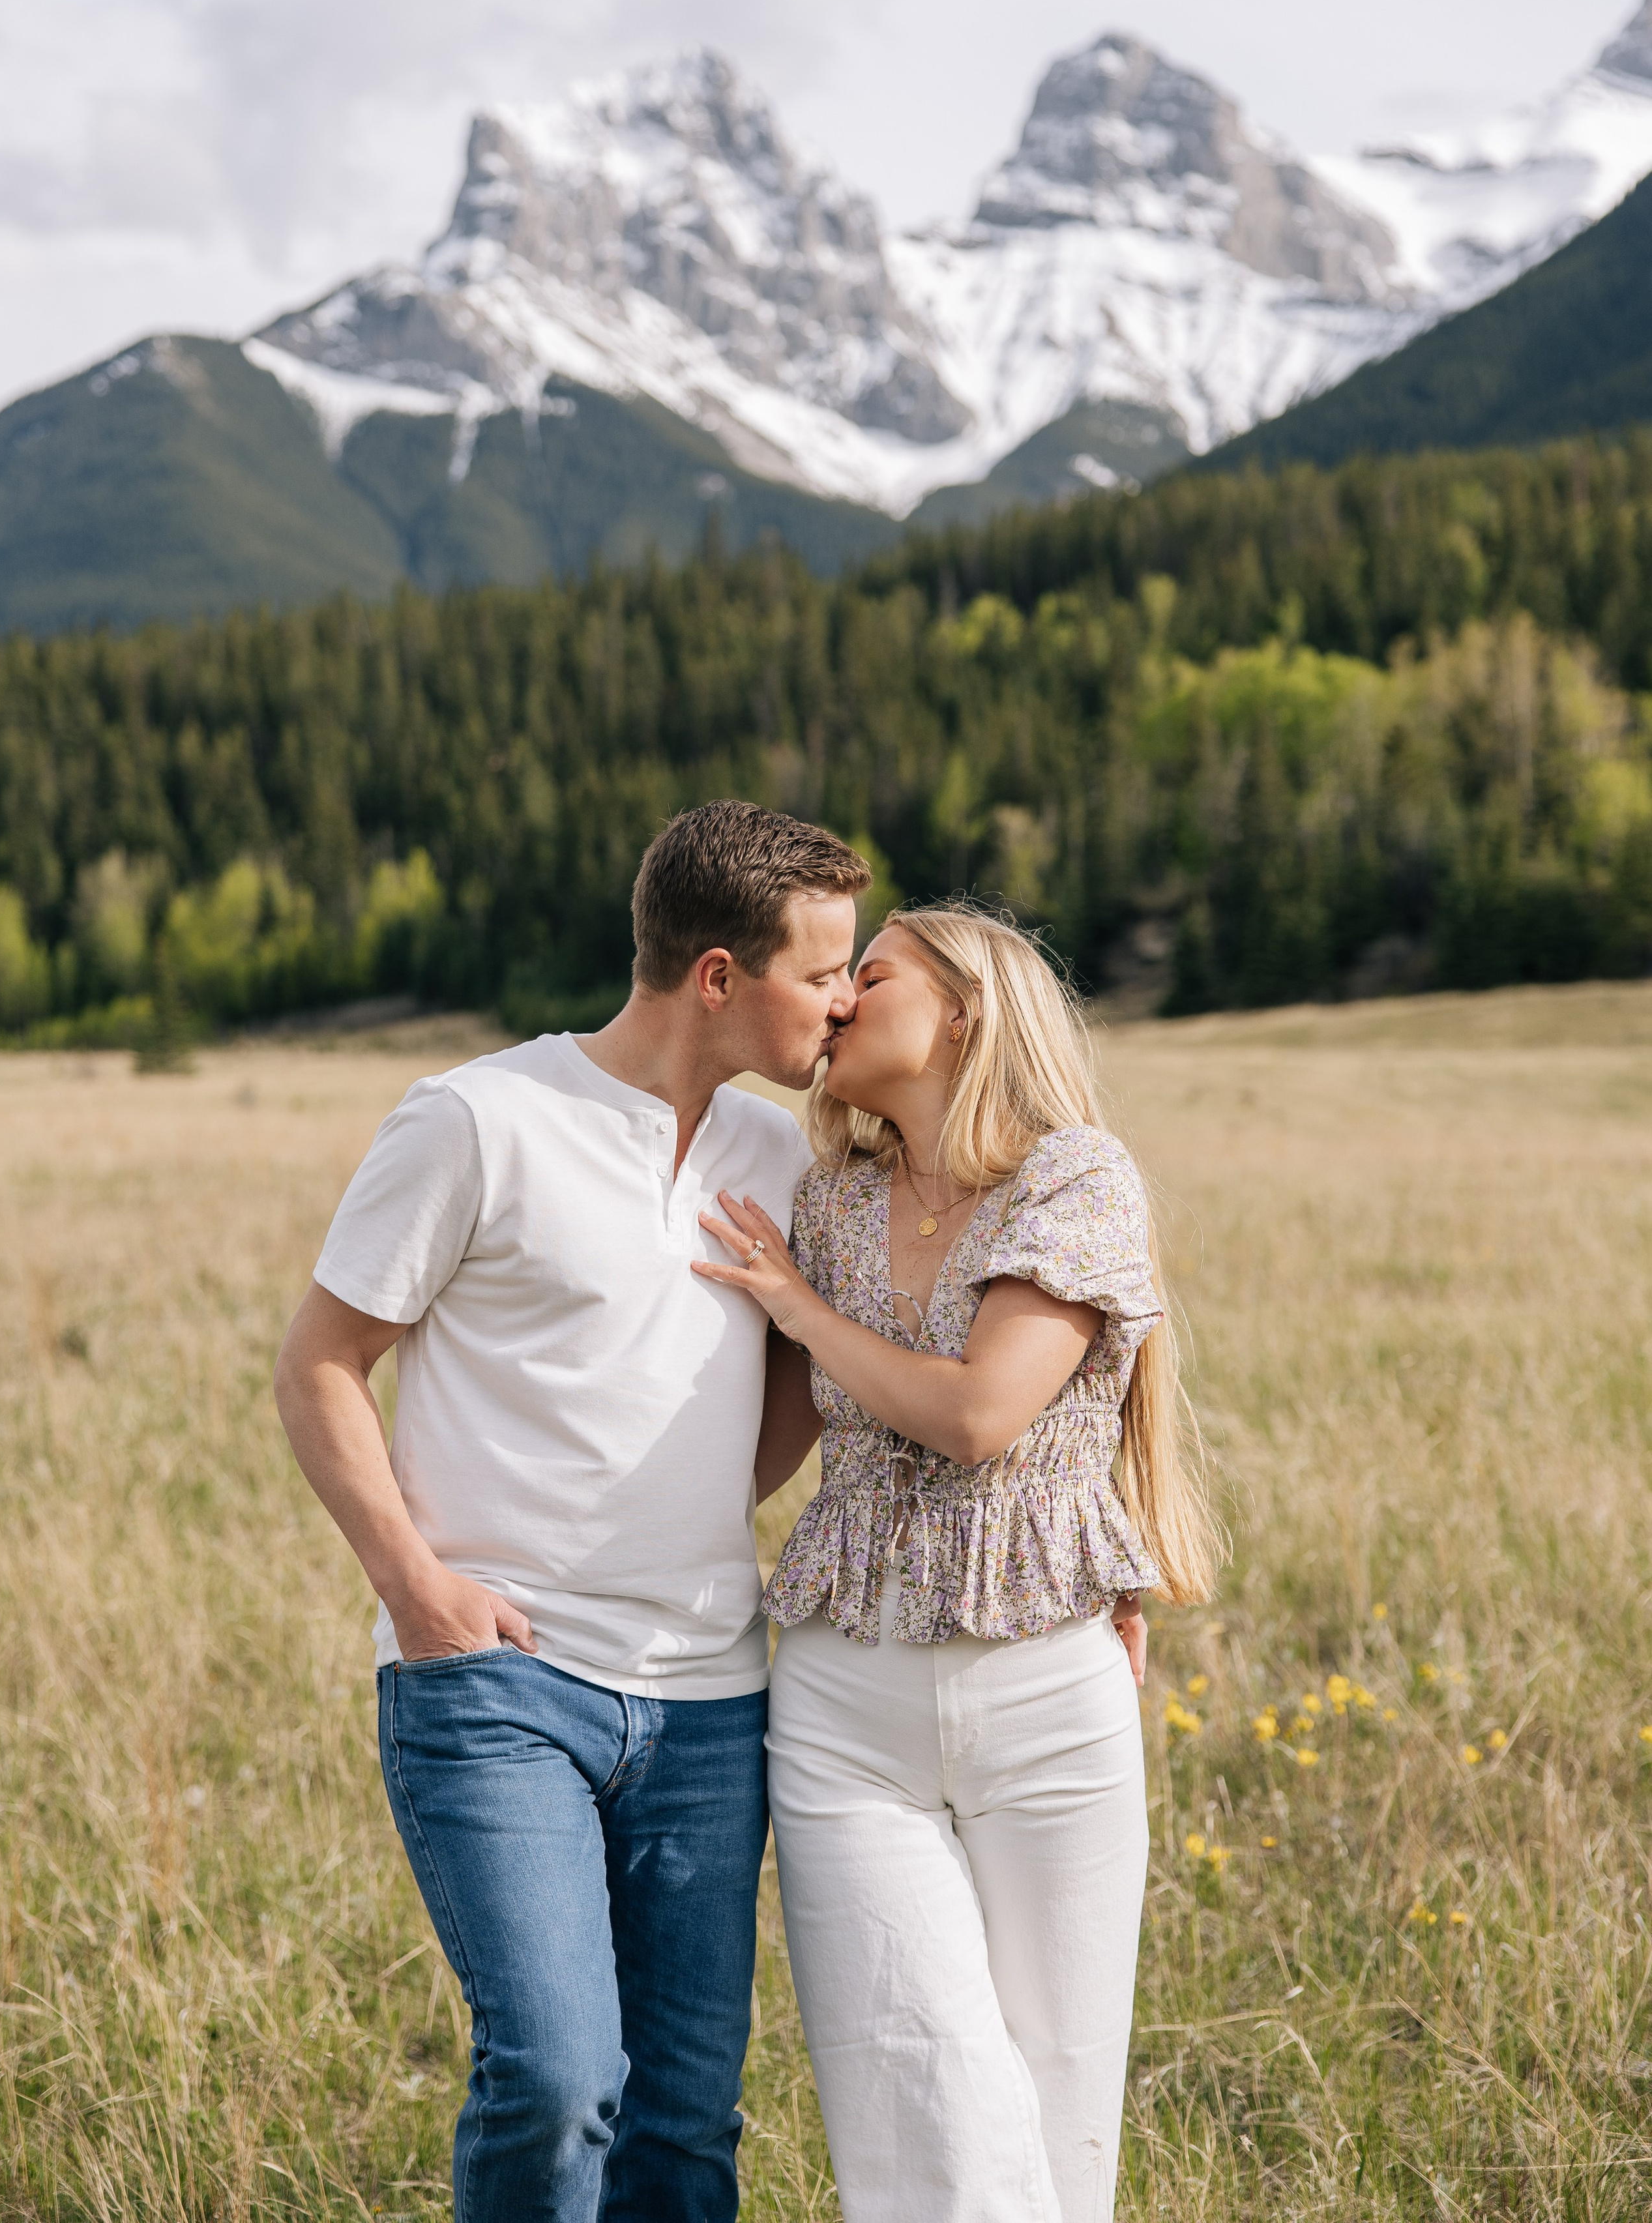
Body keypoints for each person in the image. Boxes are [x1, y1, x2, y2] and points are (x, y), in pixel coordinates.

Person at [273, 802, 871, 2223]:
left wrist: (676, 1507)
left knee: (682, 2119)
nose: (843, 1000)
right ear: (718, 978)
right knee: (554, 2078)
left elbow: (799, 1385)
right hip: (498, 1685)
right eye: (822, 970)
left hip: (711, 1700)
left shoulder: (773, 1157)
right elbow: (318, 1366)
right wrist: (418, 1591)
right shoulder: (478, 1118)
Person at [693, 902, 1220, 2223]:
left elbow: (982, 1417)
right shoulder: (827, 1203)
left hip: (1046, 1700)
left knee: (1056, 2104)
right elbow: (760, 1442)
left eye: (866, 975)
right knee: (911, 2081)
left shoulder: (1074, 1178)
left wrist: (796, 1310)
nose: (833, 1001)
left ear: (964, 1011)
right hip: (841, 1708)